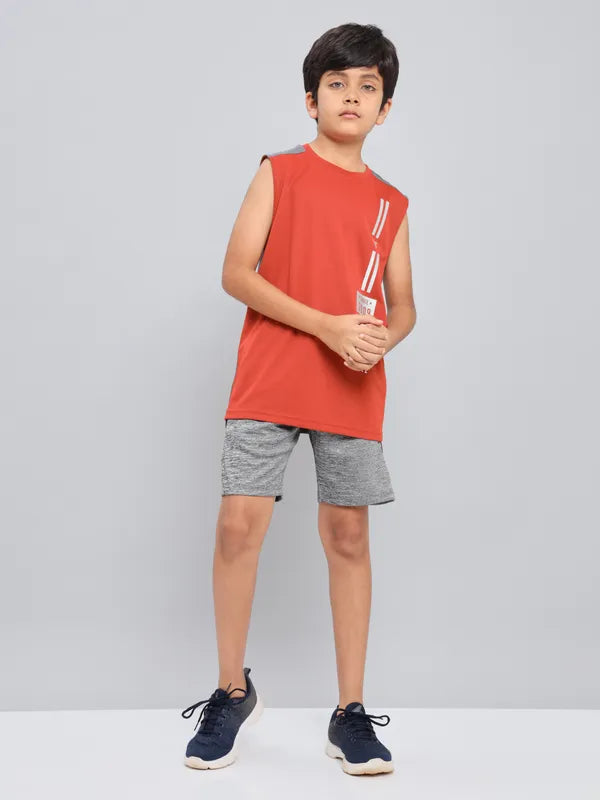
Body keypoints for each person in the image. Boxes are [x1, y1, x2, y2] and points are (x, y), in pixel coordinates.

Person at [180, 22, 416, 776]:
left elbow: (403, 306)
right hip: (271, 376)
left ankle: (351, 713)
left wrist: (378, 341)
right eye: (337, 84)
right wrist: (326, 326)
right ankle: (230, 691)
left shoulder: (390, 203)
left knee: (348, 536)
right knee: (236, 527)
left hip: (352, 384)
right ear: (311, 100)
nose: (352, 96)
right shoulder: (278, 172)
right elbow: (236, 273)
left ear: (384, 108)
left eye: (368, 87)